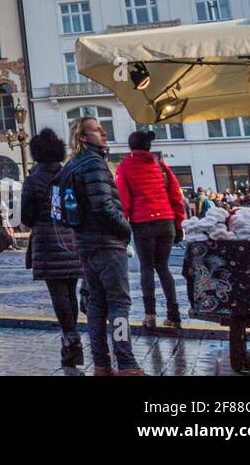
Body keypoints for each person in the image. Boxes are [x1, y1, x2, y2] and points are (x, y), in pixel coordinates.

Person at [62, 116, 142, 376]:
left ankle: (101, 363)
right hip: (107, 243)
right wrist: (125, 228)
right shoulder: (95, 164)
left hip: (84, 243)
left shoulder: (73, 165)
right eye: (97, 130)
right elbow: (104, 207)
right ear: (83, 137)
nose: (104, 133)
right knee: (119, 305)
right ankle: (126, 362)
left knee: (95, 304)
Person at [19, 128, 84, 367]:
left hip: (47, 239)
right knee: (70, 291)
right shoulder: (70, 173)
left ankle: (70, 338)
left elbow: (26, 216)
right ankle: (71, 337)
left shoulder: (34, 179)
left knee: (58, 294)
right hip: (71, 237)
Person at [115, 129, 185, 331]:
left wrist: (124, 227)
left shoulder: (125, 167)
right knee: (163, 268)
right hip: (166, 221)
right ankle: (174, 315)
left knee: (147, 267)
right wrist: (178, 224)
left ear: (131, 147)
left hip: (143, 223)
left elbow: (124, 200)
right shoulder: (161, 166)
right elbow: (175, 196)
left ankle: (150, 315)